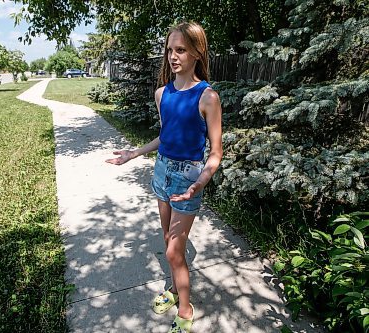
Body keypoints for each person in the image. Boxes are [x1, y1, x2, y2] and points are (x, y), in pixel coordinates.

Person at [105, 21, 223, 332]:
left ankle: (185, 311)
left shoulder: (207, 96)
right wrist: (133, 154)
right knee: (168, 241)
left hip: (188, 179)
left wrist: (201, 182)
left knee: (174, 250)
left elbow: (216, 153)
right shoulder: (162, 94)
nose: (173, 56)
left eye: (181, 50)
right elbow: (165, 136)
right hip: (162, 172)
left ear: (197, 53)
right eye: (169, 50)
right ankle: (173, 290)